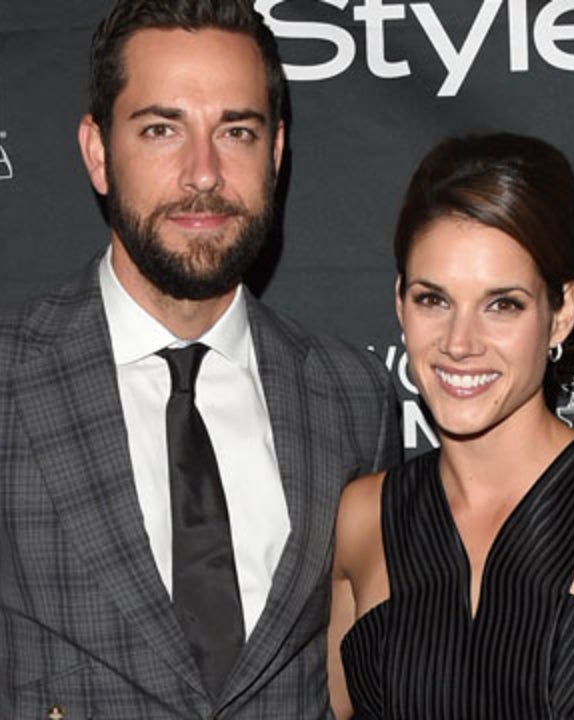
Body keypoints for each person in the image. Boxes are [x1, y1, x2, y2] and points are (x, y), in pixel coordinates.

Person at [0, 1, 401, 718]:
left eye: (236, 131)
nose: (203, 174)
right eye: (162, 129)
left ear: (275, 154)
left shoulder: (352, 396)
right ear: (98, 153)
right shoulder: (9, 380)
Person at [328, 132, 574, 719]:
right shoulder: (362, 520)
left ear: (560, 313)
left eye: (502, 304)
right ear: (400, 303)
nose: (460, 342)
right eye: (433, 299)